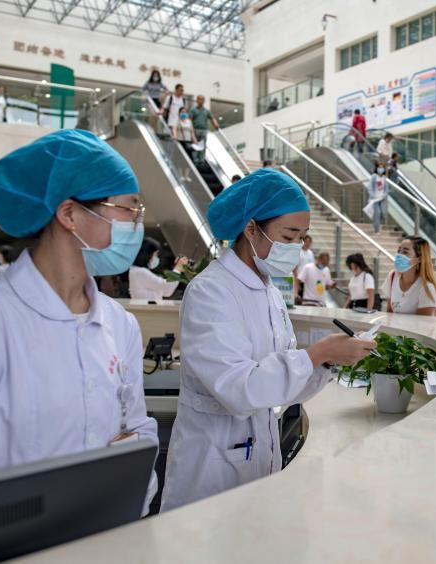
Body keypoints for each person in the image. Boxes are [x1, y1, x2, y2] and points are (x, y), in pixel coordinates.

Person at [160, 169, 375, 511]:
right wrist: (315, 354)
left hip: (258, 455)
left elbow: (282, 388)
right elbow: (239, 389)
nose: (296, 248)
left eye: (302, 238)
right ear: (250, 228)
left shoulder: (269, 291)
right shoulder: (210, 291)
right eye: (288, 236)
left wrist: (326, 361)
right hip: (210, 466)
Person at [0, 129, 158, 512]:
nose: (136, 223)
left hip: (111, 530)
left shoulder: (119, 324)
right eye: (128, 209)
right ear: (70, 214)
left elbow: (137, 431)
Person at [382, 236, 436, 316]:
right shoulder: (392, 276)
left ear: (419, 259)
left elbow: (424, 322)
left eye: (405, 252)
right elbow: (389, 314)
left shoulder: (426, 287)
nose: (399, 255)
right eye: (399, 251)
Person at [129, 237, 187, 302]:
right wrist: (178, 268)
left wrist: (177, 268)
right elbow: (167, 286)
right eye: (155, 254)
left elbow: (166, 292)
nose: (156, 257)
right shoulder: (140, 272)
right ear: (148, 254)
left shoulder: (136, 271)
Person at [189, 95, 220, 165]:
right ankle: (195, 160)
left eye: (202, 100)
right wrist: (191, 129)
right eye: (199, 99)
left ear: (204, 101)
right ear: (197, 100)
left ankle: (201, 160)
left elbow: (212, 118)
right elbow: (190, 120)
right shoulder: (193, 110)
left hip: (203, 130)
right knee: (195, 145)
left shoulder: (206, 111)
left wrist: (216, 124)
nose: (200, 101)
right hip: (195, 129)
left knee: (203, 145)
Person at [366, 164, 389, 234]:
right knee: (377, 213)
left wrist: (384, 195)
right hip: (375, 199)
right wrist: (373, 195)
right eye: (379, 167)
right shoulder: (374, 176)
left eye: (382, 168)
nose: (381, 169)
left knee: (383, 213)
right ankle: (377, 230)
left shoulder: (384, 178)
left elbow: (386, 189)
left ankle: (378, 226)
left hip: (382, 199)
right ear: (377, 168)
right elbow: (370, 187)